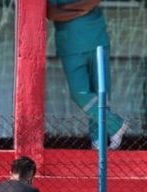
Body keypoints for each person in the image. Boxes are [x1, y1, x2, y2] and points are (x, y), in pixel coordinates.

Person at [47, 0, 128, 150]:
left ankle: (98, 140)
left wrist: (66, 9)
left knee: (101, 92)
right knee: (79, 93)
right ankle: (114, 124)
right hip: (70, 44)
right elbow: (50, 13)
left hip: (97, 38)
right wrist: (79, 10)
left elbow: (92, 2)